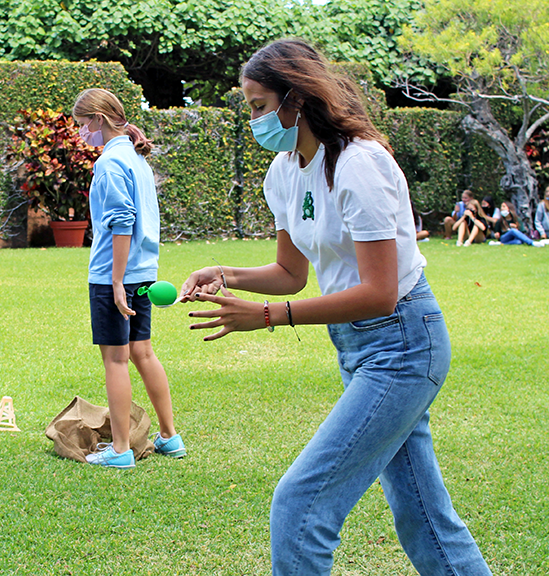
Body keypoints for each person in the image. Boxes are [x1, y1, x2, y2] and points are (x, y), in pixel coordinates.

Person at [180, 39, 491, 575]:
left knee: (300, 503)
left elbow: (380, 291)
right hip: (359, 348)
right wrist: (225, 273)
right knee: (424, 515)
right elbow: (290, 274)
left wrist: (271, 317)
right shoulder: (283, 172)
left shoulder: (358, 163)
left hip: (403, 342)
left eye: (259, 106)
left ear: (295, 99)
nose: (254, 120)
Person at [72, 88, 185, 469]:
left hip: (113, 275)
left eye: (82, 124)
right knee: (143, 352)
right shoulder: (136, 158)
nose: (81, 132)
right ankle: (170, 437)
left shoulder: (110, 162)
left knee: (116, 361)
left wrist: (116, 282)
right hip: (145, 272)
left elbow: (122, 223)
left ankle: (120, 450)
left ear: (98, 119)